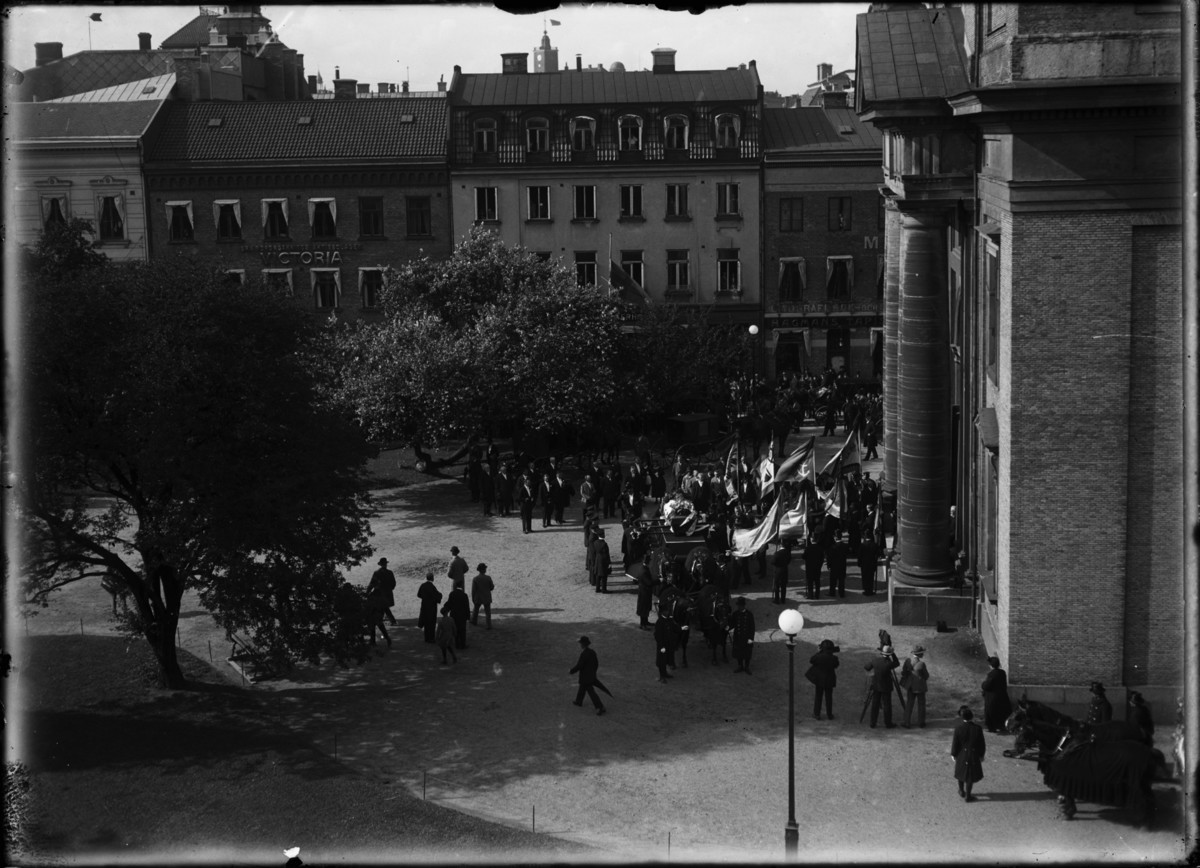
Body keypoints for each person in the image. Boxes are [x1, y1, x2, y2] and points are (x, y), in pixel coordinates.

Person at [951, 705, 986, 802]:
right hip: (973, 754)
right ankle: (968, 795)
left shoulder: (958, 728)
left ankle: (961, 791)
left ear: (962, 717)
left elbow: (955, 743)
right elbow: (981, 743)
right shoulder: (977, 728)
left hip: (961, 754)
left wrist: (953, 754)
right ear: (972, 717)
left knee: (961, 773)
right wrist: (981, 755)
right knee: (970, 776)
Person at [569, 635, 607, 715]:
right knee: (582, 687)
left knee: (591, 692)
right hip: (591, 675)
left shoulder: (584, 654)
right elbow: (596, 664)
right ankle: (579, 701)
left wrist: (572, 671)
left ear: (582, 644)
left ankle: (600, 707)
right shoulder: (592, 652)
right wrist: (593, 672)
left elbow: (579, 665)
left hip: (585, 676)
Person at [867, 644, 900, 728]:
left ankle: (872, 723)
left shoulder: (875, 660)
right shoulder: (889, 663)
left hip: (876, 685)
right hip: (886, 686)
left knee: (875, 704)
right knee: (887, 705)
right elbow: (897, 663)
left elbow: (866, 667)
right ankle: (888, 723)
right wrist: (893, 653)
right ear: (889, 654)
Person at [808, 639, 840, 720]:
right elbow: (836, 665)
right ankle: (829, 715)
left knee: (818, 696)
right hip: (830, 680)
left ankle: (816, 714)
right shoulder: (834, 658)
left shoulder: (818, 657)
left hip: (819, 680)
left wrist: (819, 652)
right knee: (829, 698)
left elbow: (812, 660)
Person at [980, 656, 1013, 733]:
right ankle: (1001, 726)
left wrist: (983, 684)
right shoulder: (1002, 673)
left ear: (991, 665)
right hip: (1002, 696)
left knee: (991, 712)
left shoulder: (991, 674)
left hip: (992, 697)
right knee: (1001, 712)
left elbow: (987, 686)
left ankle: (992, 728)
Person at [901, 645, 929, 728]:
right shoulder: (921, 664)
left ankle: (907, 722)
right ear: (919, 654)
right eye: (922, 653)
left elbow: (903, 673)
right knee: (921, 705)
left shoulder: (907, 662)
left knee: (909, 704)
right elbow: (926, 676)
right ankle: (921, 722)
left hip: (910, 686)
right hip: (920, 687)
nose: (923, 654)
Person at [728, 596, 756, 674]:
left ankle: (747, 667)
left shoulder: (749, 614)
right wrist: (727, 628)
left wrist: (751, 639)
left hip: (747, 637)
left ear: (743, 605)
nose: (739, 607)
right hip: (738, 637)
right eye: (738, 605)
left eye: (740, 605)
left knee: (747, 652)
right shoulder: (735, 614)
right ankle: (740, 666)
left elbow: (752, 628)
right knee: (739, 652)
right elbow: (732, 624)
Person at [367, 557, 398, 626]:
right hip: (388, 592)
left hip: (379, 593)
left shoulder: (377, 573)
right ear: (386, 564)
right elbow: (393, 583)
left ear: (380, 564)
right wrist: (390, 589)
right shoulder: (390, 572)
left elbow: (372, 583)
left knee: (383, 607)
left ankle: (385, 621)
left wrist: (367, 591)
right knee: (384, 607)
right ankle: (390, 620)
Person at [442, 579, 470, 650]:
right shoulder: (464, 595)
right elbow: (466, 607)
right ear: (462, 586)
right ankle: (463, 644)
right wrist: (468, 616)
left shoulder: (452, 594)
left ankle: (457, 644)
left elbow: (449, 603)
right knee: (462, 630)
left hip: (454, 614)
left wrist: (445, 609)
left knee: (455, 629)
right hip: (462, 615)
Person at [416, 572, 443, 644]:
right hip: (432, 607)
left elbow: (419, 594)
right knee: (432, 623)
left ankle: (427, 638)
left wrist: (424, 598)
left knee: (426, 623)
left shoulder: (423, 585)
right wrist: (440, 595)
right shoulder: (432, 586)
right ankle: (431, 638)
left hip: (424, 606)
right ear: (432, 578)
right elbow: (437, 595)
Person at [633, 553, 656, 629]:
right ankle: (643, 624)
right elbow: (649, 582)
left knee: (645, 607)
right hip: (644, 592)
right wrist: (658, 581)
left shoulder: (642, 568)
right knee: (644, 608)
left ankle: (645, 622)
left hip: (644, 591)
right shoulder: (644, 570)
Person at [471, 563, 494, 629]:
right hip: (486, 596)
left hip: (478, 597)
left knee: (476, 610)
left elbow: (473, 590)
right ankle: (488, 625)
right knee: (488, 612)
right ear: (484, 570)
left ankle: (474, 621)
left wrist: (473, 598)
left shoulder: (475, 579)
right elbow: (491, 587)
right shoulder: (488, 578)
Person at [826, 532, 849, 598]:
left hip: (834, 566)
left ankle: (832, 592)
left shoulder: (832, 547)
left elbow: (829, 557)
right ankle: (841, 593)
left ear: (835, 537)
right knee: (841, 580)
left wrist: (828, 565)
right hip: (842, 565)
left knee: (833, 580)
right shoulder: (845, 546)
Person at [653, 614, 674, 683]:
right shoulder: (660, 622)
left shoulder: (668, 620)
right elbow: (657, 635)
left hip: (667, 643)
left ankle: (664, 673)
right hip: (662, 645)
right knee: (661, 660)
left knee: (666, 659)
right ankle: (661, 676)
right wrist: (661, 645)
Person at [590, 528, 612, 593]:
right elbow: (606, 554)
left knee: (598, 575)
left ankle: (597, 588)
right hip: (603, 561)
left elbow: (594, 552)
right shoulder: (604, 544)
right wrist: (609, 562)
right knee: (604, 576)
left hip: (597, 559)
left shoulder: (595, 542)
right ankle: (604, 589)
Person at [803, 534, 824, 599]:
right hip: (817, 567)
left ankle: (810, 595)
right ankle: (817, 595)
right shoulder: (820, 548)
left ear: (811, 540)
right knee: (817, 582)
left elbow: (804, 557)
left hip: (809, 568)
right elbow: (822, 559)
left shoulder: (808, 548)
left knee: (810, 582)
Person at [772, 540, 793, 604]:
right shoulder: (788, 553)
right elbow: (789, 560)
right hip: (785, 570)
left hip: (778, 570)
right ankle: (783, 600)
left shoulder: (777, 553)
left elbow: (773, 562)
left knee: (777, 586)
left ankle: (777, 599)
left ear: (780, 546)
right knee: (783, 586)